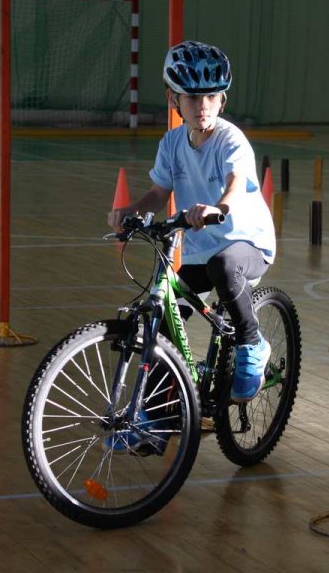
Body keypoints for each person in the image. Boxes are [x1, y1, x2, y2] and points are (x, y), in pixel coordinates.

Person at [108, 40, 276, 404]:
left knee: (224, 266)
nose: (203, 106)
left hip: (247, 243)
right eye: (193, 98)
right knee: (165, 319)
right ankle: (159, 412)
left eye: (212, 97)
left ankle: (252, 343)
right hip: (201, 250)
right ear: (174, 99)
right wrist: (132, 209)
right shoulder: (171, 143)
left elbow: (235, 183)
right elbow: (159, 192)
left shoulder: (231, 141)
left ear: (222, 100)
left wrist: (218, 208)